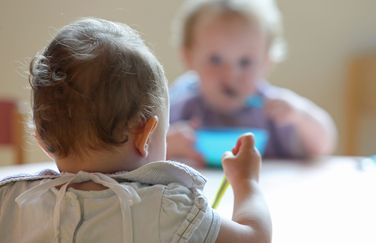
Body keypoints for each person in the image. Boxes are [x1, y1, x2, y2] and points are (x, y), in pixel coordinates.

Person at [0, 18, 271, 243]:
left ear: (42, 139)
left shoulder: (12, 201)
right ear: (146, 134)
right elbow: (254, 238)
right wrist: (246, 183)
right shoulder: (167, 209)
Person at [167, 0, 337, 167]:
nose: (231, 74)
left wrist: (300, 115)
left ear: (267, 61)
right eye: (215, 60)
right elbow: (143, 151)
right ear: (188, 57)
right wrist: (166, 146)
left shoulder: (273, 108)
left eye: (245, 62)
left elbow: (322, 147)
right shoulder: (178, 102)